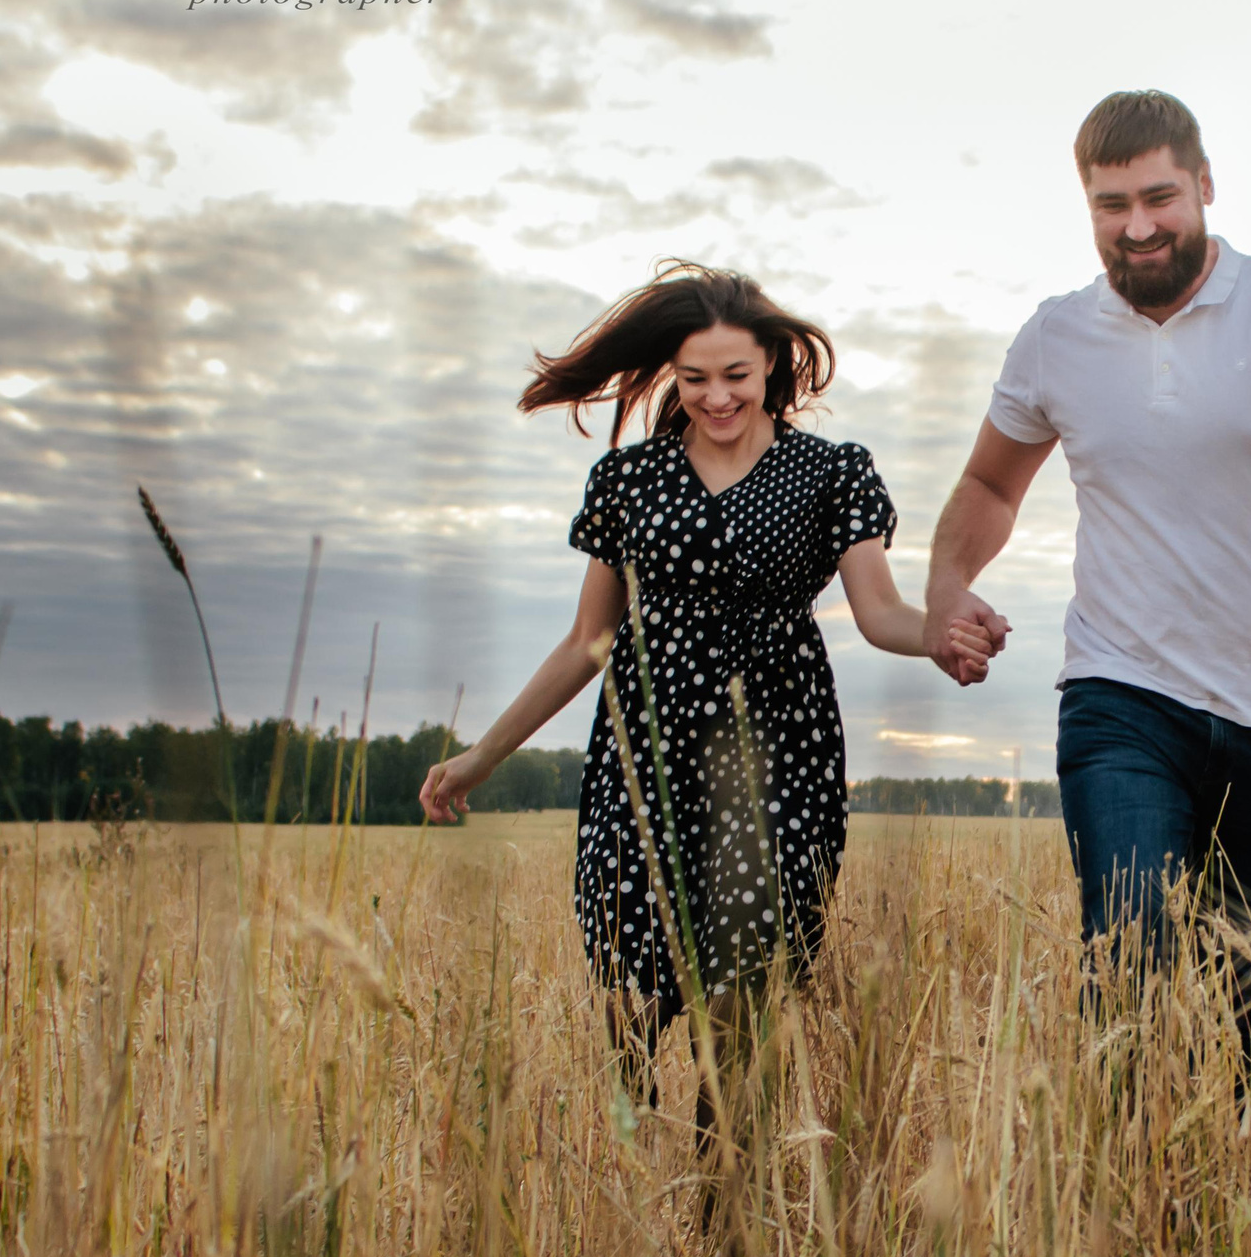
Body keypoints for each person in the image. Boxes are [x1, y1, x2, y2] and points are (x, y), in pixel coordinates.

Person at [922, 90, 1251, 1079]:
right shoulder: (1055, 337)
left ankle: (1232, 1162)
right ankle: (1120, 1168)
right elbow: (990, 483)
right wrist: (949, 585)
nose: (1138, 226)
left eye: (1159, 197)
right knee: (1129, 954)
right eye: (1111, 205)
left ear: (1204, 185)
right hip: (1121, 696)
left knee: (1249, 995)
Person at [420, 262, 989, 1151]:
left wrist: (941, 636)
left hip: (778, 749)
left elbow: (879, 612)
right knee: (630, 982)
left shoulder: (829, 472)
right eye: (694, 378)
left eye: (735, 375)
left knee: (744, 999)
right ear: (671, 376)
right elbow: (586, 642)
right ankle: (631, 1143)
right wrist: (480, 756)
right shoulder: (629, 481)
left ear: (772, 366)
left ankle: (725, 1204)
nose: (716, 396)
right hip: (648, 751)